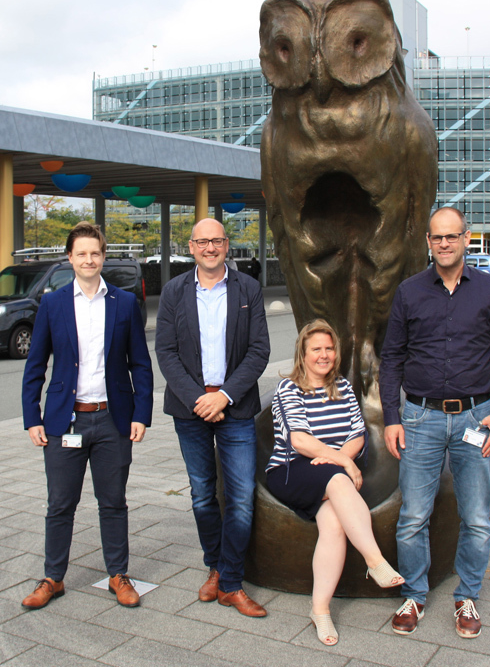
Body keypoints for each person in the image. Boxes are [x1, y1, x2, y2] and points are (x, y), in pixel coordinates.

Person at [379, 206, 490, 639]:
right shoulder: (409, 292)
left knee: (476, 517)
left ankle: (468, 597)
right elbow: (392, 358)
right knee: (413, 516)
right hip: (419, 418)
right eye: (437, 237)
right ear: (428, 241)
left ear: (465, 238)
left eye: (452, 236)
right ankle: (414, 594)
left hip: (475, 418)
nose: (444, 243)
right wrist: (392, 417)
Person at [21, 222, 153, 610]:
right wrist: (32, 417)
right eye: (81, 253)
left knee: (113, 502)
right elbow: (35, 366)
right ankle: (53, 577)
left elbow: (140, 364)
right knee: (60, 504)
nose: (89, 259)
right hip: (65, 421)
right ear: (70, 258)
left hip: (113, 419)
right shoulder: (53, 304)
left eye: (95, 253)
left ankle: (118, 575)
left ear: (103, 256)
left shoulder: (124, 303)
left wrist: (141, 414)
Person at [155, 218, 270, 617]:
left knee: (241, 496)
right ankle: (216, 567)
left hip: (235, 406)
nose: (210, 248)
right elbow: (166, 352)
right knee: (203, 493)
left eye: (217, 241)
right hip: (190, 409)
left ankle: (232, 583)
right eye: (202, 241)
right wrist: (197, 399)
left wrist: (223, 395)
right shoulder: (173, 291)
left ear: (226, 245)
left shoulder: (248, 288)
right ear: (190, 247)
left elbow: (259, 350)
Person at [266, 319, 403, 646]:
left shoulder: (342, 386)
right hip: (291, 470)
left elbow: (357, 433)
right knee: (339, 480)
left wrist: (340, 458)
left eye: (329, 348)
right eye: (316, 349)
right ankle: (375, 560)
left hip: (330, 469)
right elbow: (299, 440)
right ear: (303, 353)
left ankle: (320, 610)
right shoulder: (289, 389)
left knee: (334, 525)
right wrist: (343, 462)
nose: (324, 355)